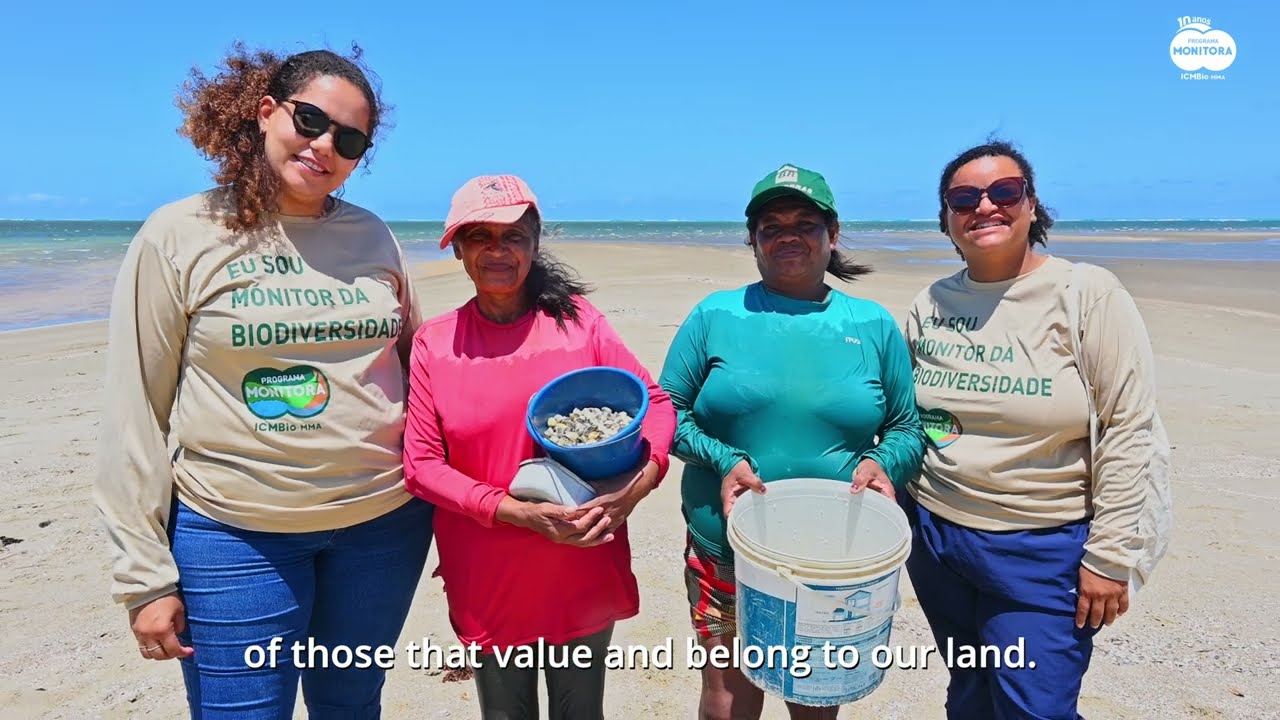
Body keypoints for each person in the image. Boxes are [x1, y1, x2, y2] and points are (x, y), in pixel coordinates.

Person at [93, 44, 434, 718]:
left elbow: (420, 372)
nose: (325, 145)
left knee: (351, 705)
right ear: (266, 111)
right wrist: (144, 577)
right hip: (235, 534)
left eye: (350, 139)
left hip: (383, 530)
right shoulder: (179, 234)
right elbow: (134, 412)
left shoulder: (372, 236)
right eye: (311, 120)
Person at [902, 139, 1168, 719]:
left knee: (1034, 707)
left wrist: (1109, 556)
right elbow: (909, 417)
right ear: (947, 218)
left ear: (1031, 204)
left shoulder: (1085, 293)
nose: (985, 206)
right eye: (964, 198)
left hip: (1042, 546)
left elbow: (1129, 428)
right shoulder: (932, 302)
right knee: (970, 692)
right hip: (937, 538)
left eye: (1004, 191)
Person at [657, 164, 927, 720]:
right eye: (771, 226)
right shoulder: (714, 315)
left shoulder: (872, 325)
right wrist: (723, 458)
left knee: (814, 699)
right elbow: (665, 415)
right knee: (727, 700)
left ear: (833, 234)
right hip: (724, 546)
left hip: (835, 558)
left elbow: (907, 428)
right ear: (752, 240)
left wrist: (883, 463)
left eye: (805, 224)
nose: (788, 236)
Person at [401, 174, 676, 720]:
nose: (497, 251)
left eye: (513, 236)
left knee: (581, 710)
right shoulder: (437, 342)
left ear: (534, 242)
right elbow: (422, 466)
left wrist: (635, 487)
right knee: (505, 711)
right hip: (489, 565)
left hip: (582, 553)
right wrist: (517, 513)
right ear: (457, 249)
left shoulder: (578, 322)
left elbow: (656, 404)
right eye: (480, 237)